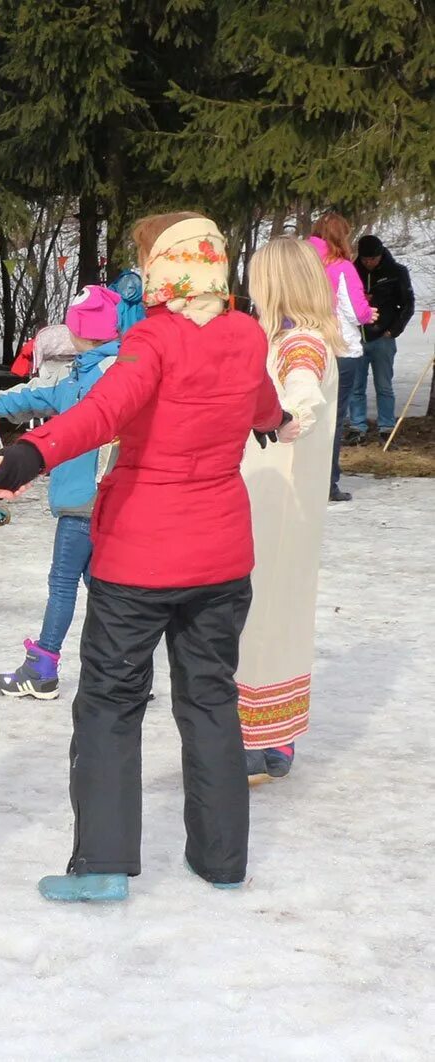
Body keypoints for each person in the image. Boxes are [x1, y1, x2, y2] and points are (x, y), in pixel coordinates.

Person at [0, 212, 285, 901]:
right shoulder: (245, 334)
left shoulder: (151, 341)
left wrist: (35, 448)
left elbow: (104, 411)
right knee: (210, 700)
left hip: (140, 559)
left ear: (162, 272)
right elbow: (263, 403)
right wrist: (269, 424)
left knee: (110, 703)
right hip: (220, 556)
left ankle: (102, 866)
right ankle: (223, 862)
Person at [0, 286, 126, 699]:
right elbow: (35, 396)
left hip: (84, 502)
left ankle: (42, 668)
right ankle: (122, 672)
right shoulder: (95, 372)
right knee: (102, 587)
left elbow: (39, 397)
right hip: (103, 501)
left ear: (81, 331)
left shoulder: (96, 378)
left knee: (63, 582)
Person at [237, 238, 341, 783]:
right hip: (278, 496)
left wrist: (288, 415)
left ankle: (260, 741)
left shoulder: (299, 342)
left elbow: (301, 390)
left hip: (273, 498)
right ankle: (274, 736)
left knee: (261, 612)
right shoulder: (292, 337)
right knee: (275, 610)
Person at [311, 213, 375, 501]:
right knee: (333, 418)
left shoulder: (302, 262)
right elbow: (355, 310)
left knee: (305, 414)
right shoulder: (342, 267)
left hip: (306, 345)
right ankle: (327, 482)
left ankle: (302, 480)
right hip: (340, 346)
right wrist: (369, 313)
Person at [354, 234, 418, 441]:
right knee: (356, 386)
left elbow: (407, 305)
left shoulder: (396, 272)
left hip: (383, 337)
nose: (369, 263)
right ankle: (357, 427)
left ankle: (386, 427)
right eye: (365, 259)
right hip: (356, 338)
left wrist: (393, 331)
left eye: (372, 259)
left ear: (381, 255)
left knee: (384, 385)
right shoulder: (352, 271)